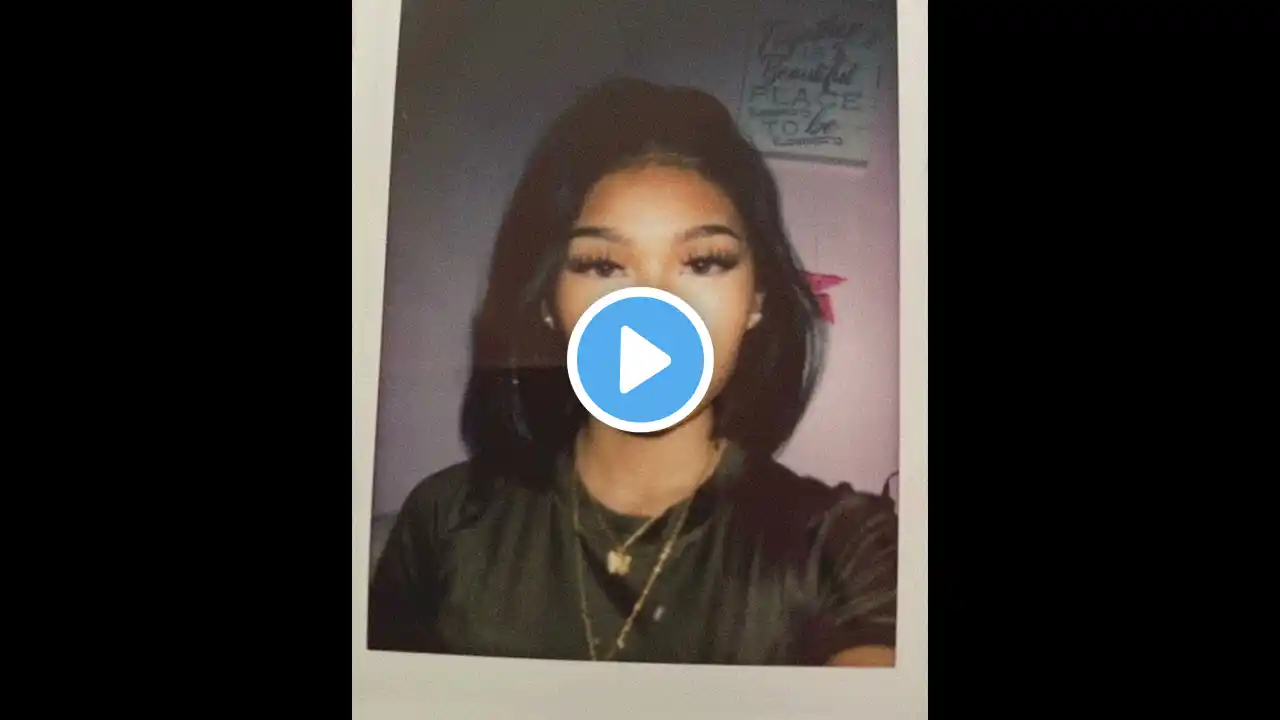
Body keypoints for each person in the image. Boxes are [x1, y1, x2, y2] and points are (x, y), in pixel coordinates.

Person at [368, 78, 898, 667]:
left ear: (757, 300)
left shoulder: (844, 546)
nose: (653, 308)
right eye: (603, 265)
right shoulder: (445, 519)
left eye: (703, 262)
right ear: (547, 303)